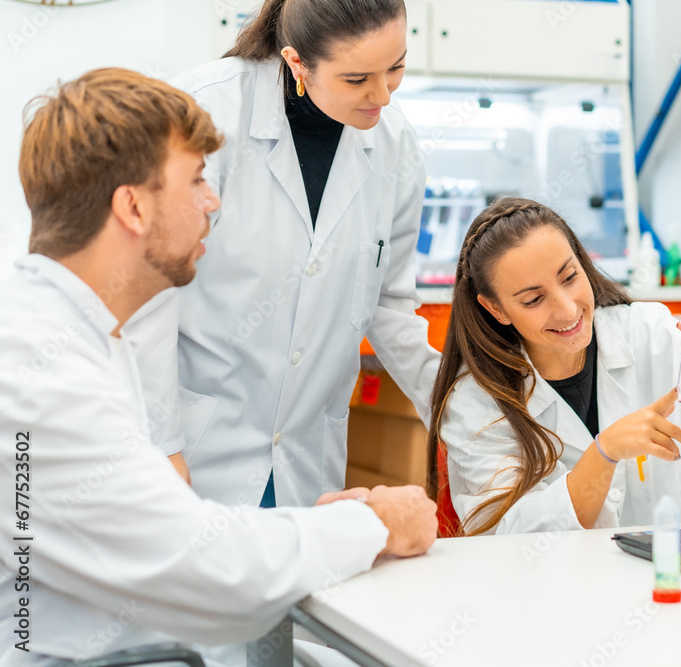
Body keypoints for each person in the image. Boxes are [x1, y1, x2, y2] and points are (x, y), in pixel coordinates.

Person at [0, 68, 437, 665]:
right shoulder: (39, 369)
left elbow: (167, 538)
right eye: (198, 180)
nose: (214, 201)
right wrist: (376, 524)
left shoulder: (79, 336)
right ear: (131, 206)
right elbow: (201, 565)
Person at [126, 0, 441, 509]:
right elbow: (146, 300)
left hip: (306, 458)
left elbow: (388, 305)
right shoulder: (205, 113)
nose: (382, 95)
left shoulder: (395, 141)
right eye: (358, 78)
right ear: (296, 62)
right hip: (198, 446)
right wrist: (162, 449)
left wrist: (460, 410)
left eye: (397, 67)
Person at [427, 198, 681, 535]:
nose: (567, 311)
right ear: (496, 309)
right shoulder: (476, 402)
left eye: (569, 277)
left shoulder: (650, 333)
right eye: (534, 300)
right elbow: (504, 538)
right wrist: (604, 454)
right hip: (556, 588)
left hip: (666, 580)